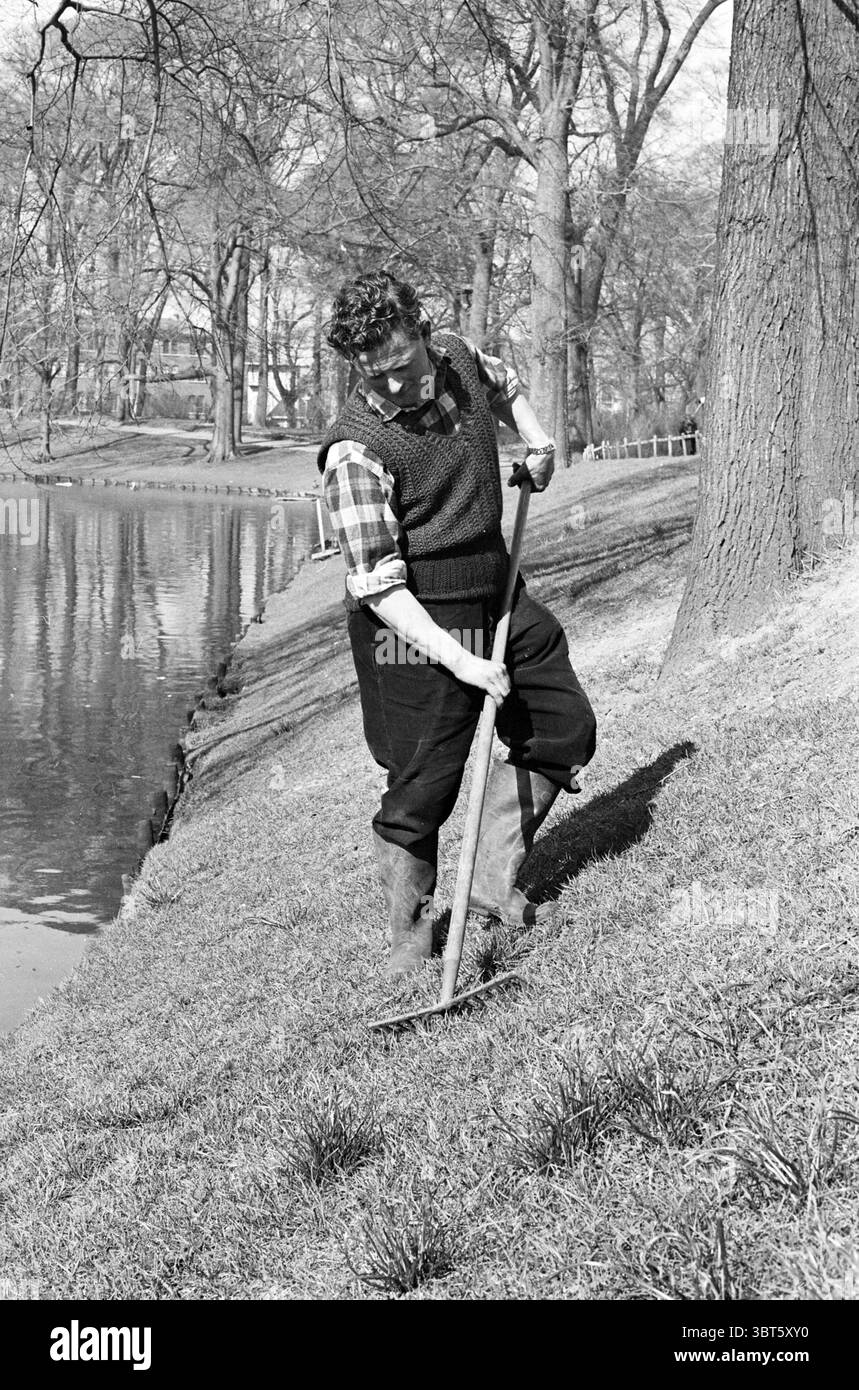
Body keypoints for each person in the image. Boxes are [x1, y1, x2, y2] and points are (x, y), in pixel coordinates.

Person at [317, 271, 596, 978]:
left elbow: (501, 383)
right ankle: (409, 950)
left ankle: (487, 884)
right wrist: (463, 662)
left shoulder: (458, 356)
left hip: (494, 588)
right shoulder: (354, 452)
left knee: (560, 726)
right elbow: (379, 587)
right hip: (410, 625)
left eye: (404, 368)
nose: (395, 389)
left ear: (422, 332)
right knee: (421, 788)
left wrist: (536, 442)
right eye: (375, 377)